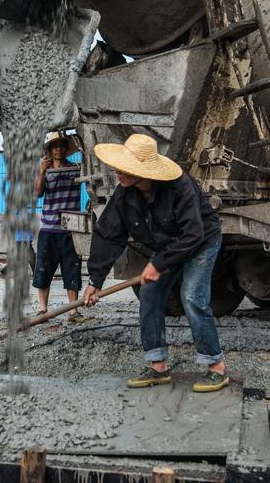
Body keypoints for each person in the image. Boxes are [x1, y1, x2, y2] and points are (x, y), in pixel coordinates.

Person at [83, 133, 228, 392]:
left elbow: (192, 234)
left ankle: (215, 366)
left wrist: (158, 264)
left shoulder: (179, 187)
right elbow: (108, 233)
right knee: (149, 294)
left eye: (125, 168)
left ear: (144, 171)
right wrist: (95, 280)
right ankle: (157, 366)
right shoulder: (125, 192)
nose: (117, 171)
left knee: (192, 296)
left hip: (201, 240)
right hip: (167, 246)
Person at [33, 132, 84, 322]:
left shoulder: (75, 169)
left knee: (72, 269)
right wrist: (41, 172)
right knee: (44, 269)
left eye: (62, 146)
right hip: (48, 228)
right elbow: (38, 193)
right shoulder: (43, 169)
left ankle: (73, 311)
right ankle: (42, 310)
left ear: (66, 148)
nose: (58, 149)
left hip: (71, 228)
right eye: (54, 146)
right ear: (48, 150)